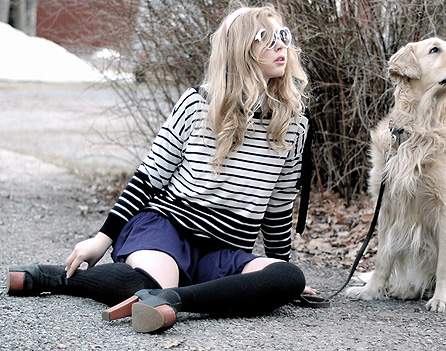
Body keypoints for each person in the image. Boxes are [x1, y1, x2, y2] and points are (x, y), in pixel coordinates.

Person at [7, 5, 315, 333]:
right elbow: (147, 178)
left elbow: (279, 208)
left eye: (284, 36)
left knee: (289, 278)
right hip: (168, 230)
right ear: (239, 49)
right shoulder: (197, 105)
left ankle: (173, 300)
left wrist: (276, 272)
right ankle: (59, 278)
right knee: (147, 280)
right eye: (266, 38)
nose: (281, 46)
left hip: (224, 252)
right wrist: (101, 240)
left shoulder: (294, 125)